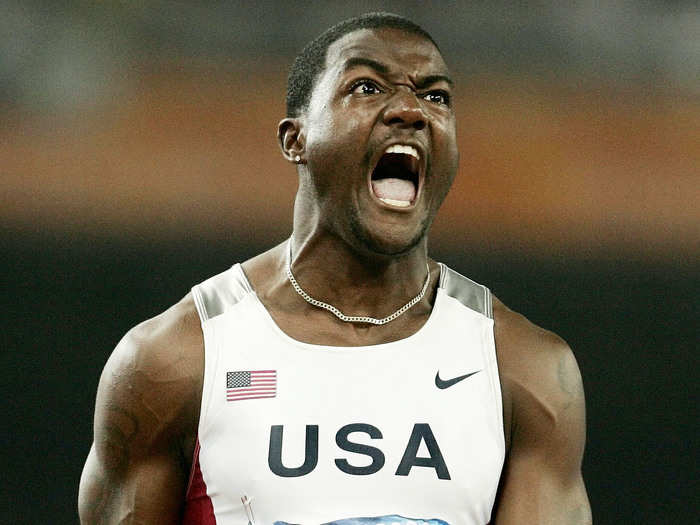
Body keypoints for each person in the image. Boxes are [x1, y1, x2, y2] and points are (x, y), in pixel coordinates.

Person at [78, 12, 591, 525]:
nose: (411, 110)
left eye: (436, 96)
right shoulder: (175, 361)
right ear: (294, 139)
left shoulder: (521, 370)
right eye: (366, 87)